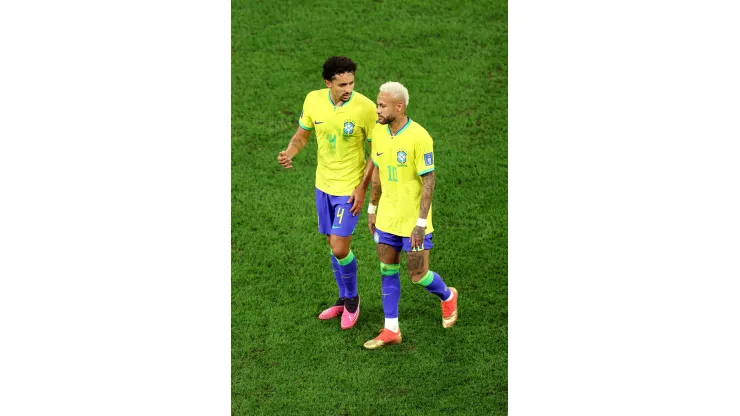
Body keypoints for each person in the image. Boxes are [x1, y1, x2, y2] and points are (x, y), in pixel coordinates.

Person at [277, 56, 377, 330]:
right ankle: (343, 299)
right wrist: (290, 152)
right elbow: (302, 135)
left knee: (339, 246)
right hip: (323, 185)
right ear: (328, 83)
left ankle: (353, 299)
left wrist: (361, 188)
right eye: (342, 84)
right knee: (331, 244)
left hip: (348, 190)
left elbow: (375, 154)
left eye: (352, 82)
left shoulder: (366, 108)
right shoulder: (313, 100)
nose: (348, 88)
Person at [363, 81, 459, 349]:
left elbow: (429, 181)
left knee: (418, 274)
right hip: (387, 219)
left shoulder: (419, 137)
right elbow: (379, 173)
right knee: (387, 269)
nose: (377, 109)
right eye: (377, 104)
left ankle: (447, 295)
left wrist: (420, 223)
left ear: (399, 106)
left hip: (413, 223)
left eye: (382, 105)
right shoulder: (379, 132)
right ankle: (391, 329)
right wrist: (372, 208)